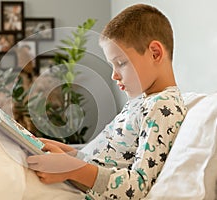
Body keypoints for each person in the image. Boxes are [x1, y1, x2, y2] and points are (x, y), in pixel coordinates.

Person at [27, 4, 187, 199]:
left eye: (121, 63)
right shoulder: (140, 101)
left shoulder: (163, 106)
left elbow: (137, 186)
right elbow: (104, 158)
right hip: (74, 182)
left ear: (155, 53)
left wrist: (72, 168)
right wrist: (68, 154)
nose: (114, 75)